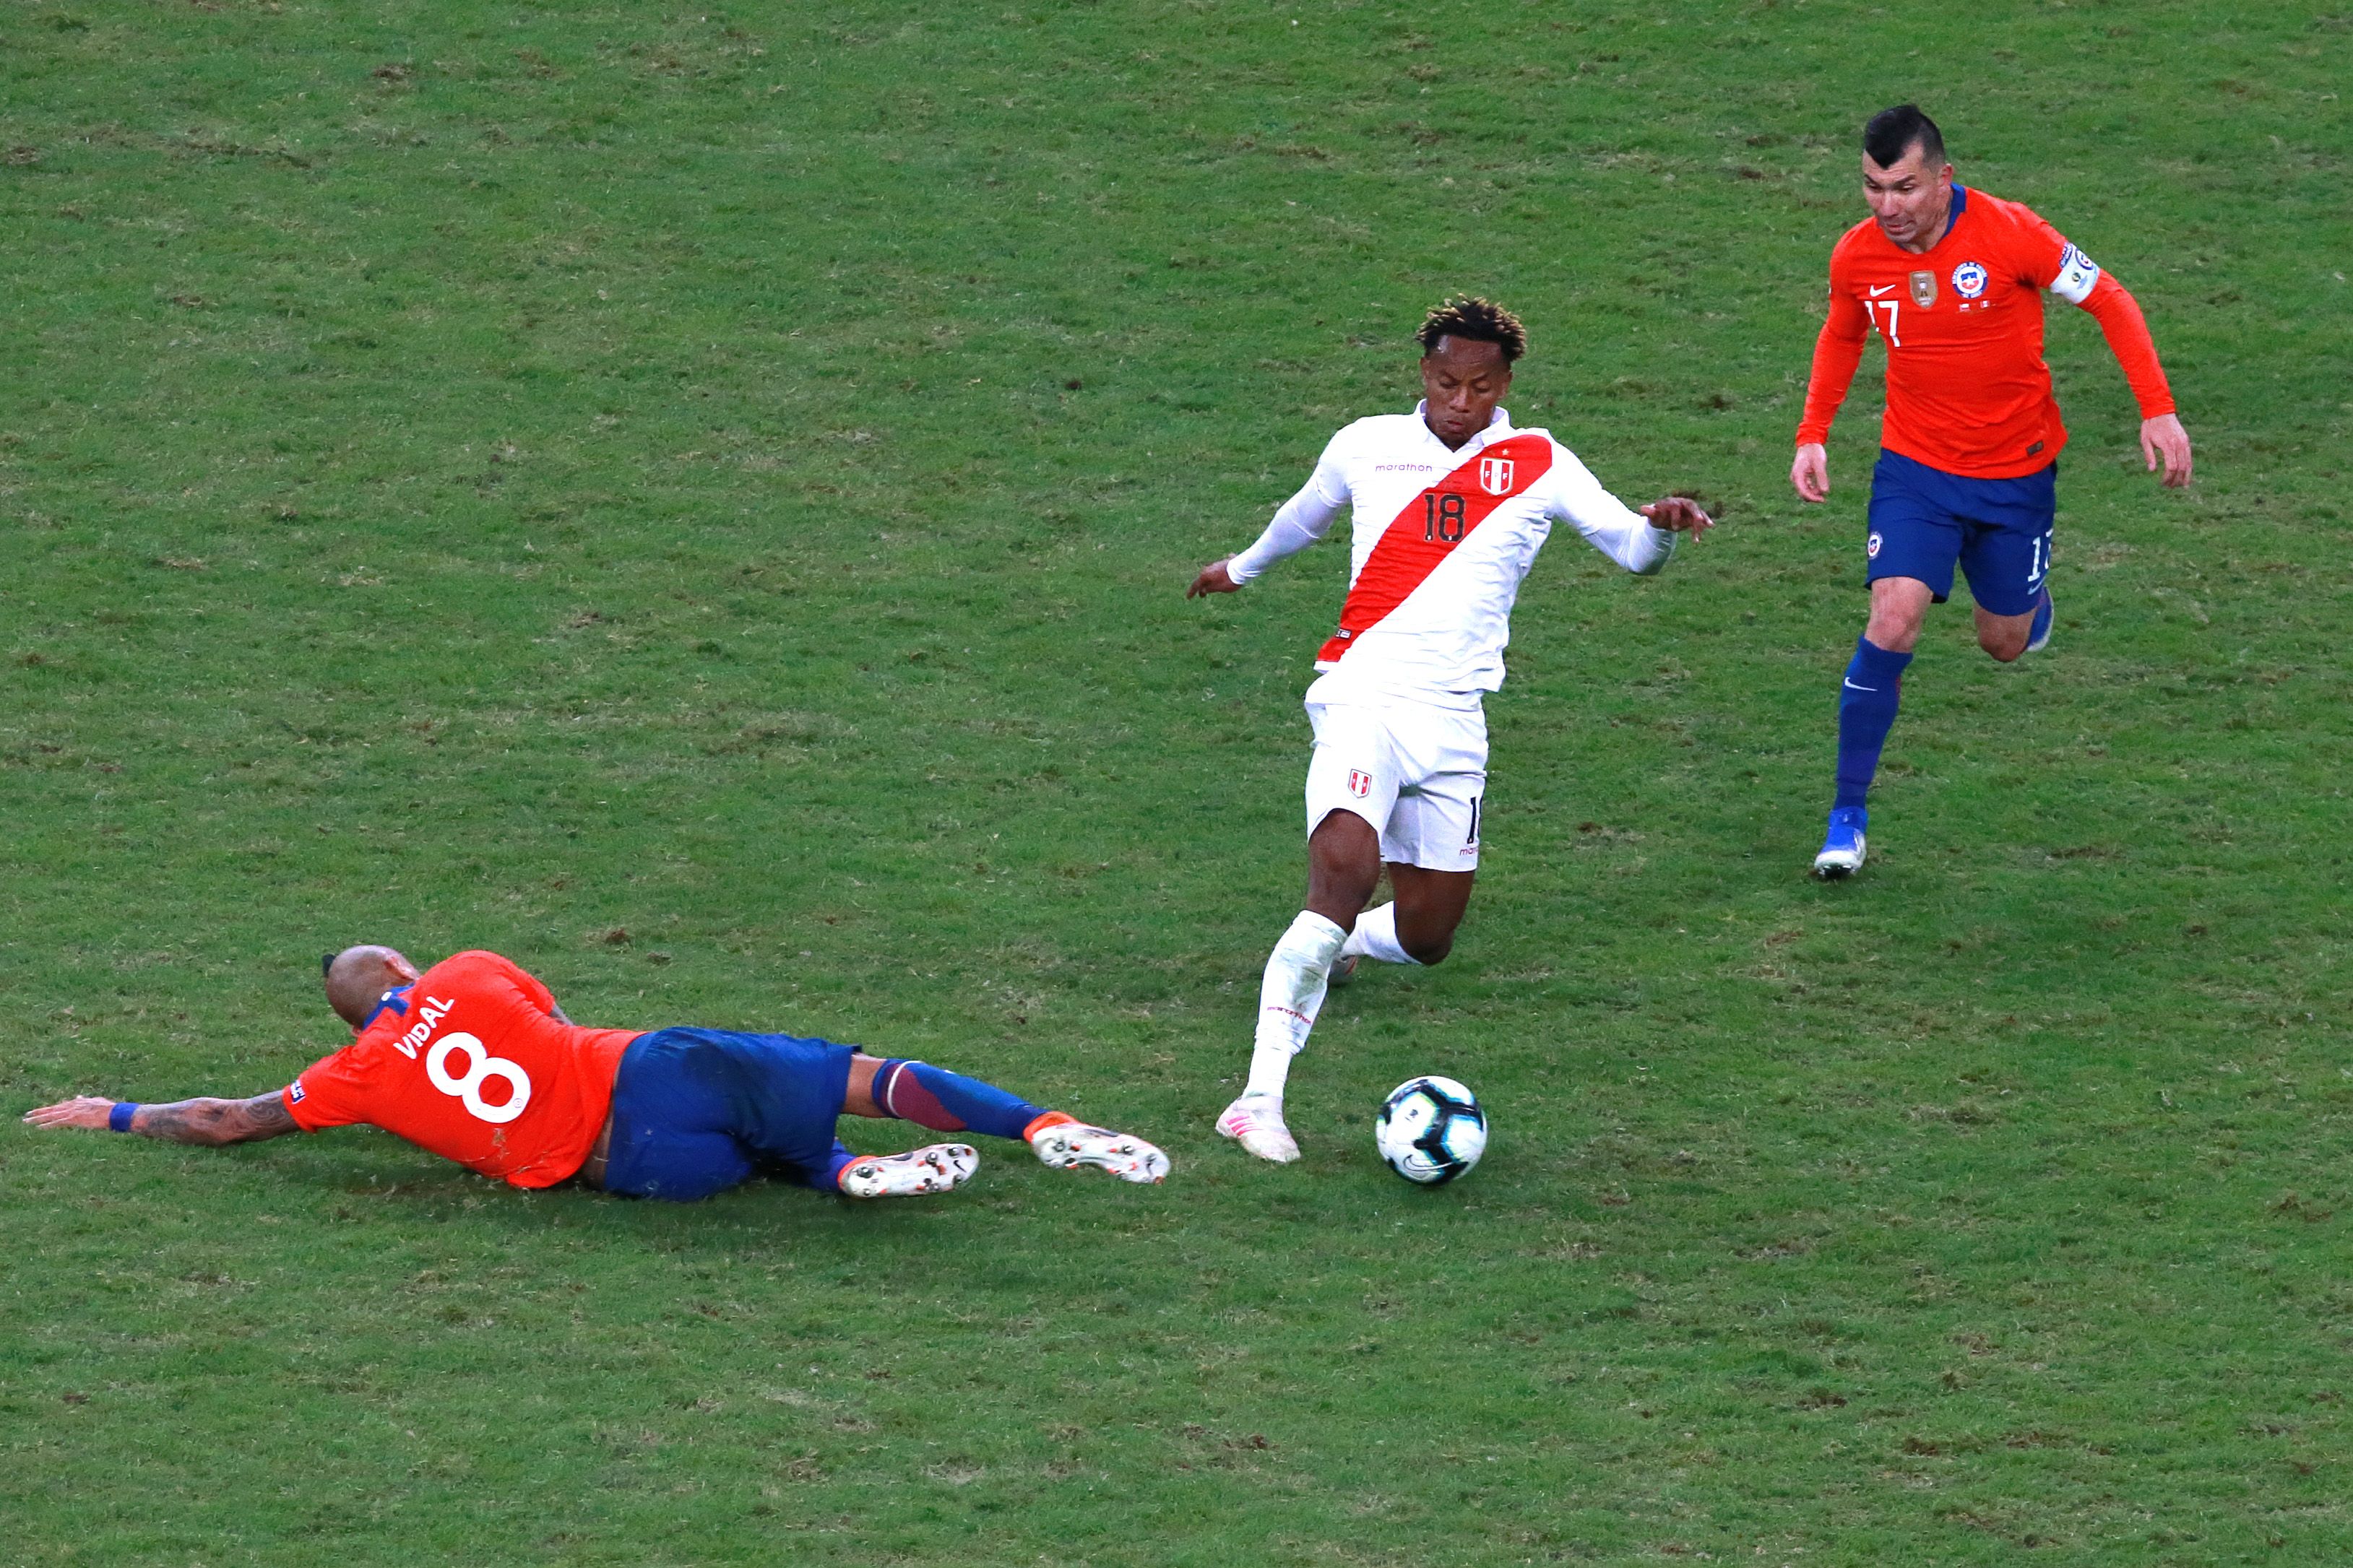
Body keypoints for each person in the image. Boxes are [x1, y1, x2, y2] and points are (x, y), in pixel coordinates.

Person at [1186, 296, 1713, 1164]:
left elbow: (1629, 549)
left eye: (1477, 386)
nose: (1458, 401)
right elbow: (1302, 516)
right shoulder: (1365, 443)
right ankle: (1255, 1099)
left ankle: (1337, 948)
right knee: (1344, 872)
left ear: (1505, 383)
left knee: (1427, 936)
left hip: (1454, 721)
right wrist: (1238, 569)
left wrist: (1662, 530)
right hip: (1363, 694)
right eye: (1442, 382)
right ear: (1421, 375)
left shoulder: (1537, 461)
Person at [1792, 103, 2191, 879]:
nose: (1886, 207)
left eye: (1903, 187)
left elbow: (2107, 297)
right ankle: (1846, 815)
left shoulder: (2013, 233)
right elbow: (1843, 331)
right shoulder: (1856, 257)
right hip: (1915, 471)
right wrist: (1813, 430)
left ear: (1943, 176)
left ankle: (2027, 604)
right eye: (1872, 188)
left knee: (2001, 641)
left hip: (2014, 476)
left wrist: (2157, 409)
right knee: (1894, 613)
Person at [22, 945, 1169, 1200]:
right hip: (651, 1070)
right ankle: (1045, 1123)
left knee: (759, 1153)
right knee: (867, 1070)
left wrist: (112, 1110)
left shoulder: (348, 1082)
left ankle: (846, 1176)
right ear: (408, 967)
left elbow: (229, 1118)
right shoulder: (469, 973)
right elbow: (561, 1015)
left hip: (630, 1169)